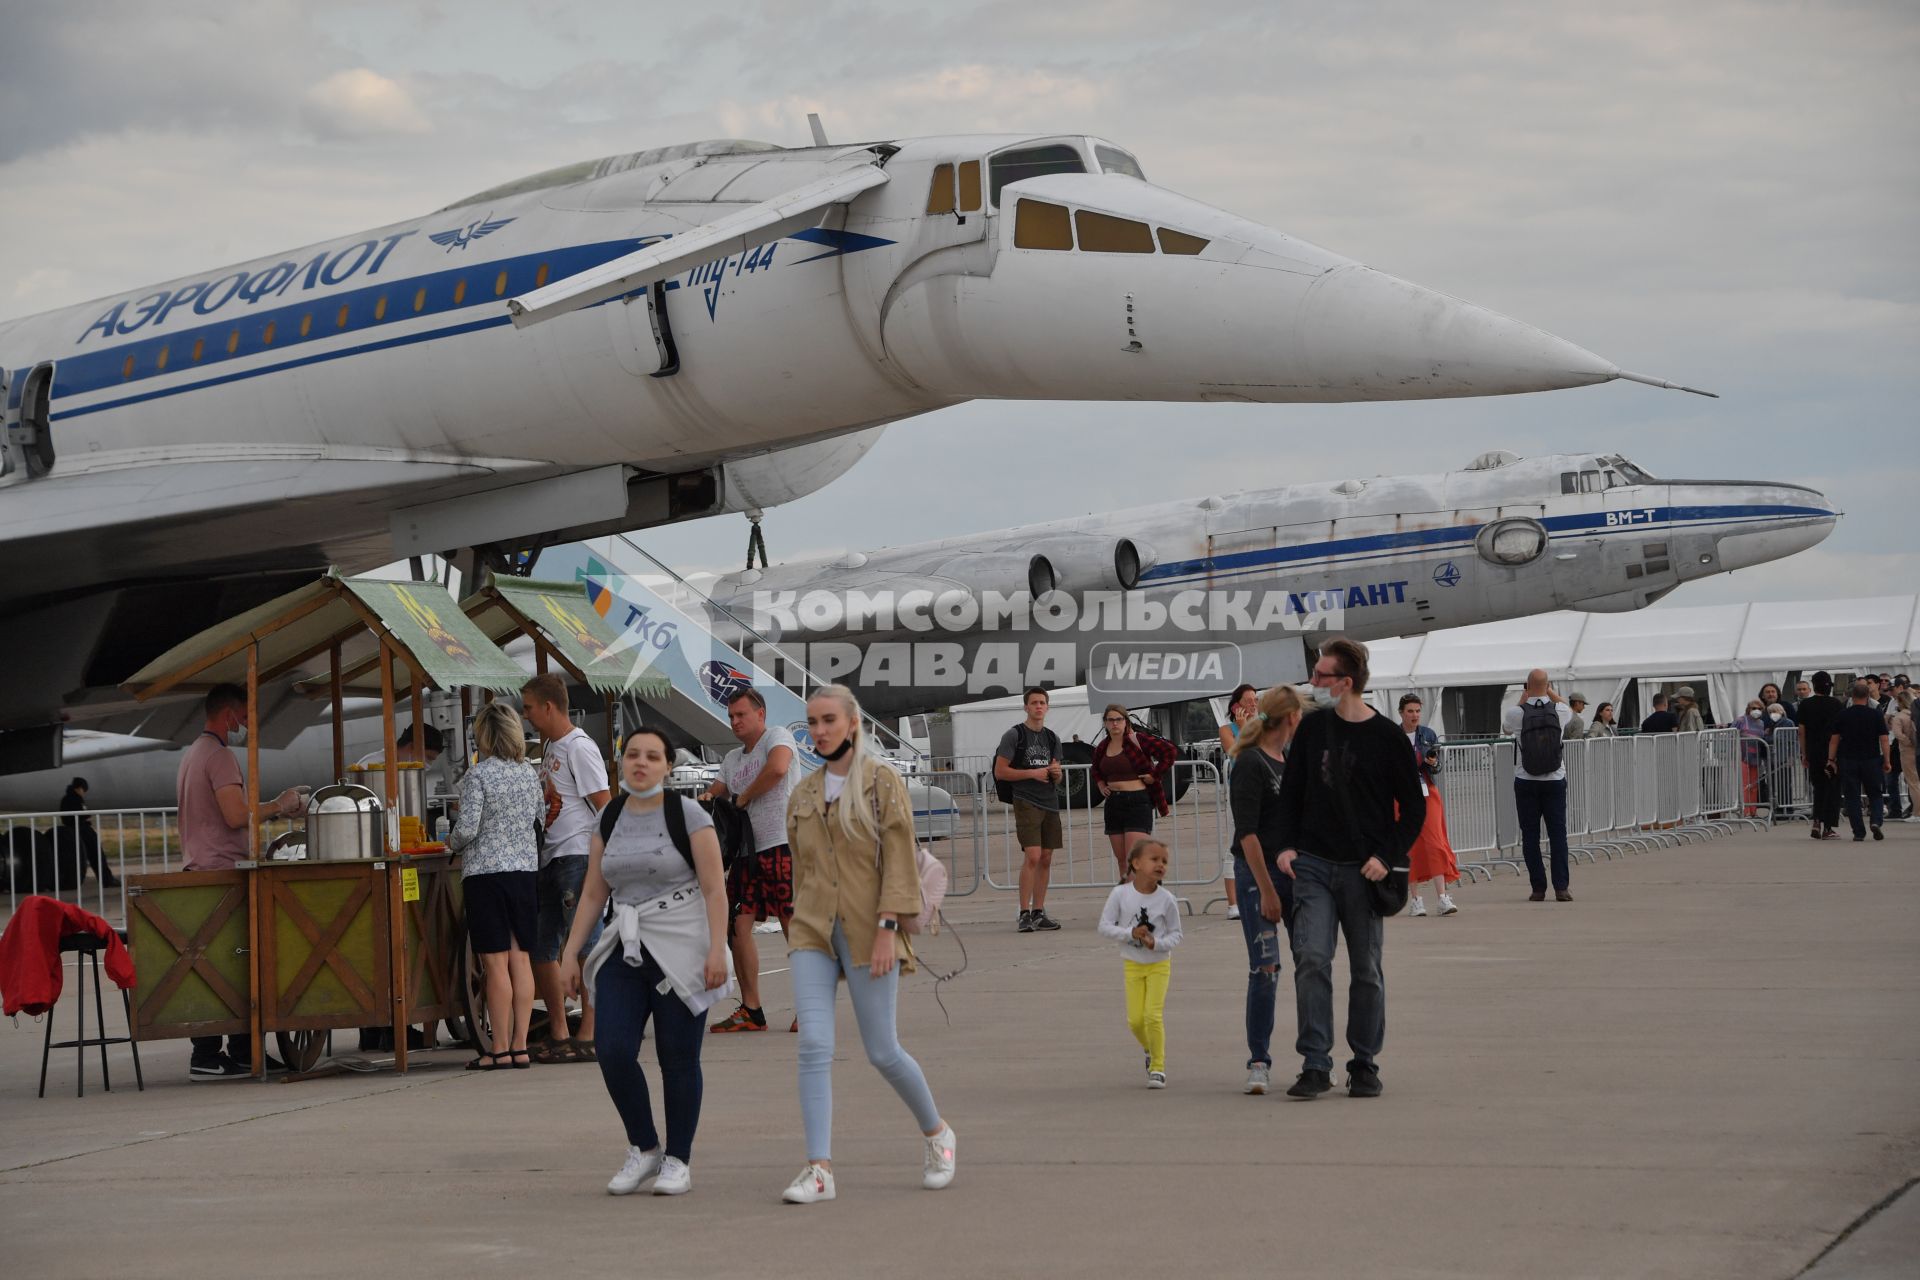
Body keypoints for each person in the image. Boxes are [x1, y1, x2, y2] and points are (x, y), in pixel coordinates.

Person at [781, 683, 955, 1204]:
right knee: (813, 1044)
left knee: (882, 1051)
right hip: (813, 930)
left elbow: (900, 860)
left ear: (852, 722)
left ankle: (937, 1135)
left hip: (869, 930)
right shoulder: (804, 792)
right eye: (812, 722)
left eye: (829, 720)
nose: (819, 731)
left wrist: (888, 929)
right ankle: (818, 1170)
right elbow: (801, 868)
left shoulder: (880, 783)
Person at [560, 727, 730, 1196]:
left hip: (681, 944)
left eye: (652, 756)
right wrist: (571, 953)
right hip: (626, 945)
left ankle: (678, 1158)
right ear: (621, 761)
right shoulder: (609, 816)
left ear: (667, 766)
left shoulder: (688, 814)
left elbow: (715, 889)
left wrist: (717, 950)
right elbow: (595, 891)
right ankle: (645, 1147)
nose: (641, 763)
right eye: (633, 755)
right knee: (612, 1051)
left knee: (678, 1058)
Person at [1273, 638, 1423, 1101]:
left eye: (1321, 676)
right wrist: (1284, 846)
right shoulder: (1313, 730)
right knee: (1312, 959)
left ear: (1346, 682)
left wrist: (1387, 856)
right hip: (1314, 866)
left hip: (1364, 870)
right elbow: (1290, 794)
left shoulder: (1388, 738)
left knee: (1366, 969)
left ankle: (1364, 1063)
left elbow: (1413, 808)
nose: (1312, 683)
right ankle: (1316, 1063)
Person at [176, 683, 304, 1079]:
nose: (249, 723)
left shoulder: (193, 754)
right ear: (230, 715)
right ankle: (214, 1054)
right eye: (245, 715)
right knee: (235, 965)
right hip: (222, 871)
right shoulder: (219, 756)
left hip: (203, 868)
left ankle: (238, 1051)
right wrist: (280, 805)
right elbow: (235, 815)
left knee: (225, 965)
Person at [446, 702, 542, 1071]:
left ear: (483, 737)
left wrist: (451, 842)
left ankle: (498, 1047)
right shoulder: (527, 774)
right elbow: (538, 821)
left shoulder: (478, 776)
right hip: (523, 874)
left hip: (485, 876)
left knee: (495, 964)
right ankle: (520, 1047)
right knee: (521, 960)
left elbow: (468, 828)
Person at [521, 674, 612, 1064]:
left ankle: (590, 1032)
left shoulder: (578, 747)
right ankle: (560, 1031)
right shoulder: (549, 748)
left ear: (548, 706)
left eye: (527, 707)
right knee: (543, 946)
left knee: (588, 945)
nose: (525, 715)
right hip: (551, 856)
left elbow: (605, 802)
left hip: (578, 854)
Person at [701, 686, 797, 1034]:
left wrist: (742, 799)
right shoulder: (732, 759)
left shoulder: (778, 736)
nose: (735, 721)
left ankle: (811, 1007)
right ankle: (751, 1009)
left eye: (741, 715)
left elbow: (778, 769)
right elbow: (717, 788)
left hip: (781, 844)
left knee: (792, 923)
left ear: (761, 714)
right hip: (746, 853)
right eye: (731, 716)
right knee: (737, 927)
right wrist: (709, 797)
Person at [1226, 684, 1304, 1095]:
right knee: (1266, 967)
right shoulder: (1251, 762)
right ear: (1290, 717)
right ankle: (1259, 1060)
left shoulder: (1287, 760)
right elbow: (1248, 833)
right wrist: (1266, 891)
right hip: (1259, 876)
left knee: (1309, 961)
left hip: (1292, 873)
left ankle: (1315, 1056)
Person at [1096, 839, 1183, 1089]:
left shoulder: (1167, 899)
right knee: (1135, 1020)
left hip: (1159, 965)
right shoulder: (1120, 894)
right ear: (1136, 863)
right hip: (1132, 964)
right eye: (1154, 859)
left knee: (1152, 1016)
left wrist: (1157, 943)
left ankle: (1158, 1066)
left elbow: (1177, 934)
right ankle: (1149, 1047)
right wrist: (1129, 934)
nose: (1160, 865)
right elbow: (1104, 927)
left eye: (1164, 861)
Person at [995, 687, 1063, 933]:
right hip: (1026, 800)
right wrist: (1031, 773)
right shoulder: (1014, 735)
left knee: (1046, 858)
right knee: (1033, 856)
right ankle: (1024, 912)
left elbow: (1057, 772)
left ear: (1047, 707)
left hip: (1049, 801)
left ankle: (1039, 911)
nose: (1038, 707)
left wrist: (1056, 773)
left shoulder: (1052, 738)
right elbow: (1000, 771)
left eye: (1042, 703)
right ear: (1026, 707)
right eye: (1033, 702)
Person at [1503, 670, 1575, 902]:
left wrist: (1524, 698)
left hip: (1526, 780)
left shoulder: (1516, 713)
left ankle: (1538, 888)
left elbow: (1505, 728)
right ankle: (1561, 887)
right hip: (1555, 779)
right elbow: (1572, 712)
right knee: (1558, 834)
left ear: (1527, 686)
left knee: (1530, 835)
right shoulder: (1560, 710)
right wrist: (1550, 692)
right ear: (1548, 686)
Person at [1092, 703, 1174, 883]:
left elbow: (1169, 752)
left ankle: (1142, 902)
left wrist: (1155, 775)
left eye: (1118, 719)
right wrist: (1100, 783)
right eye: (1110, 720)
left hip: (1138, 801)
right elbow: (1095, 768)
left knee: (1134, 859)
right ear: (1105, 723)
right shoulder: (1102, 747)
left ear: (1125, 721)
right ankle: (1128, 903)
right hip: (1114, 804)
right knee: (1122, 860)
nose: (1115, 724)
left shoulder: (1138, 740)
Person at [1399, 695, 1458, 918]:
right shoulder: (1394, 736)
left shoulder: (1428, 734)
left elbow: (1437, 766)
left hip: (1427, 791)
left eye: (1417, 711)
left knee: (1435, 842)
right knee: (1410, 845)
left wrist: (1432, 763)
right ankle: (1416, 900)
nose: (1414, 715)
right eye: (1410, 711)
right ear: (1401, 713)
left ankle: (1442, 897)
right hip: (1402, 795)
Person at [1827, 680, 1890, 842]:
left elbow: (1834, 740)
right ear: (1868, 696)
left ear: (1851, 696)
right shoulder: (1875, 714)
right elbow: (1884, 739)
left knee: (1852, 796)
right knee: (1875, 793)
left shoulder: (1842, 714)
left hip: (1848, 759)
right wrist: (1887, 760)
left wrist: (1831, 759)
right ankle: (1876, 821)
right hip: (1871, 758)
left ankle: (1858, 832)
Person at [1217, 683, 1260, 919]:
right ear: (1236, 707)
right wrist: (1244, 728)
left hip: (1264, 790)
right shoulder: (1227, 729)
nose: (1254, 704)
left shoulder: (1265, 724)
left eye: (1255, 699)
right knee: (1236, 844)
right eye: (1248, 700)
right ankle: (1233, 903)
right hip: (1241, 790)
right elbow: (1237, 754)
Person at [1796, 672, 1845, 839]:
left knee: (1818, 788)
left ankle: (1816, 820)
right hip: (1832, 752)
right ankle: (1828, 827)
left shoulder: (1805, 705)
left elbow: (1801, 732)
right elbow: (1839, 730)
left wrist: (1804, 753)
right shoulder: (1836, 704)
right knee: (1832, 788)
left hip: (1813, 750)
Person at [57, 776, 116, 889]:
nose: (83, 793)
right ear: (79, 788)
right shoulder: (76, 799)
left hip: (73, 829)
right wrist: (86, 818)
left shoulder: (67, 799)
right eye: (83, 790)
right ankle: (106, 879)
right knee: (96, 854)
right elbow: (84, 814)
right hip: (82, 829)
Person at [1735, 697, 1771, 815]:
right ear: (1748, 709)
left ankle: (1753, 811)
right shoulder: (1740, 720)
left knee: (1754, 784)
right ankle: (1745, 810)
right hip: (1742, 755)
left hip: (1756, 756)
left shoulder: (1761, 723)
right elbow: (1731, 734)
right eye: (1754, 708)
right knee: (1745, 784)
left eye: (1759, 708)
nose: (1757, 710)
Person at [1891, 691, 1919, 821]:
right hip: (1917, 749)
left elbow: (1898, 735)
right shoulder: (1914, 715)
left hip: (1906, 751)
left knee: (1912, 782)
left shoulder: (1899, 717)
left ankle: (1917, 812)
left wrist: (1907, 742)